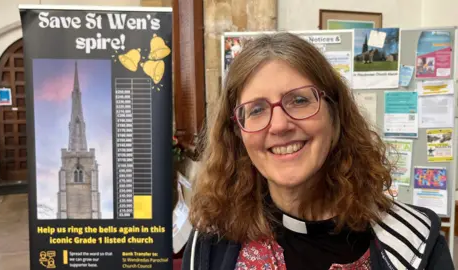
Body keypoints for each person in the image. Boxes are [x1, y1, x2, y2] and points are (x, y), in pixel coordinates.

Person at [181, 32, 454, 270]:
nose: (279, 125)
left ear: (335, 115)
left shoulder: (416, 242)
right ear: (237, 134)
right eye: (256, 110)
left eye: (299, 100)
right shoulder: (212, 241)